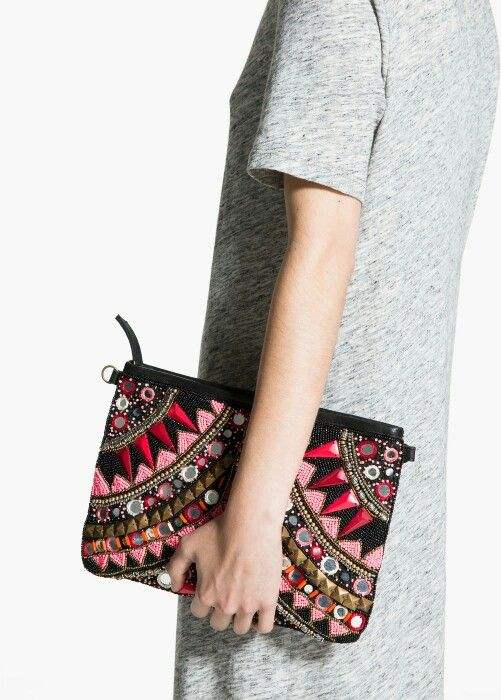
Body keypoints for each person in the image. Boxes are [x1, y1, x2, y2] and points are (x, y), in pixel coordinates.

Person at [169, 1, 498, 697]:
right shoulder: (465, 13)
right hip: (383, 512)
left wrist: (253, 519)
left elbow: (323, 254)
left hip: (290, 509)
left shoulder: (336, 7)